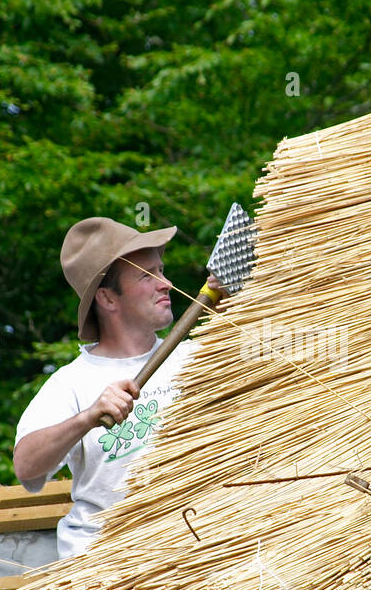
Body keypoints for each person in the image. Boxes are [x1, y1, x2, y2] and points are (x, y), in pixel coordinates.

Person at [12, 216, 225, 560]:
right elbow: (26, 466)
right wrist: (88, 418)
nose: (167, 284)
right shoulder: (71, 383)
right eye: (148, 275)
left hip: (193, 548)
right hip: (104, 565)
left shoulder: (199, 355)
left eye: (162, 269)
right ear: (108, 299)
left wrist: (239, 309)